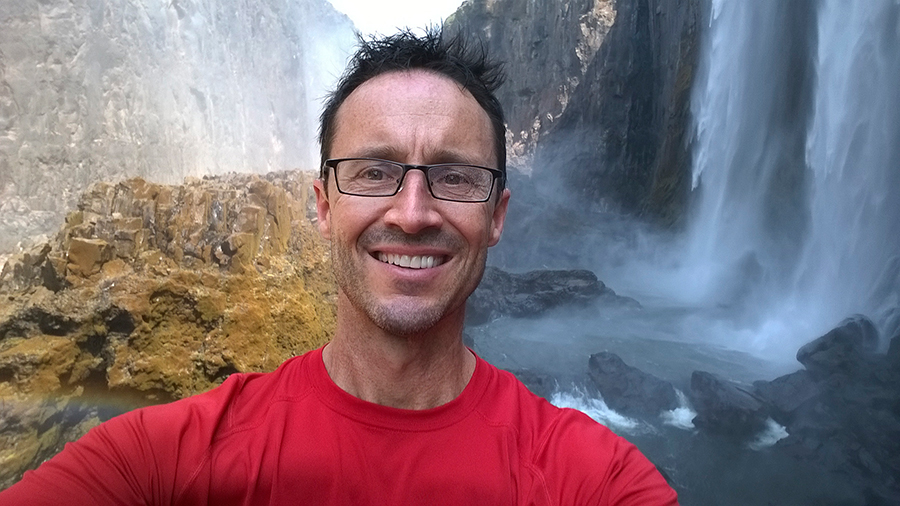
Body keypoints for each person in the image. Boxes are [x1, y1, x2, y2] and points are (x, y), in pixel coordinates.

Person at [1, 29, 678, 505]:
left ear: (496, 216)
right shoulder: (166, 457)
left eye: (454, 176)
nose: (413, 212)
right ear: (323, 206)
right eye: (374, 172)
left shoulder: (593, 479)